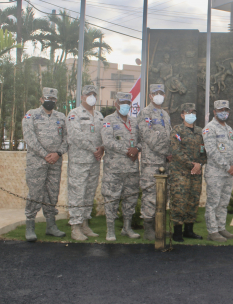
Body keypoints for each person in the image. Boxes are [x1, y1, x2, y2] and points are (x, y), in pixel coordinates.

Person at [22, 87, 68, 242]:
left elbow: (67, 139)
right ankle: (30, 226)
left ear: (56, 100)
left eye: (53, 99)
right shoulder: (31, 115)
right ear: (41, 99)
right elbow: (29, 137)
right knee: (35, 193)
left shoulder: (61, 117)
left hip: (55, 161)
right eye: (47, 98)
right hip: (37, 161)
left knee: (52, 193)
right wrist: (45, 155)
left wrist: (58, 153)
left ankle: (51, 226)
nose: (50, 101)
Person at [101, 92, 142, 241]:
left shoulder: (135, 122)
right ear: (116, 104)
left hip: (131, 169)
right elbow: (107, 141)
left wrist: (137, 148)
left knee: (130, 198)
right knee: (111, 199)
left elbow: (142, 140)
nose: (125, 105)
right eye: (122, 102)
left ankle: (127, 228)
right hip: (114, 169)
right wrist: (127, 151)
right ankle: (110, 230)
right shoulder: (108, 120)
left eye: (128, 103)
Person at [66, 85, 105, 241]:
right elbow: (75, 135)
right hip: (79, 161)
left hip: (94, 162)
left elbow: (104, 136)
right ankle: (75, 227)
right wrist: (93, 149)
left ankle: (84, 224)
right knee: (77, 193)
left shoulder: (100, 115)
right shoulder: (74, 114)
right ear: (82, 97)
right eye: (88, 94)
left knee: (89, 193)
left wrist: (101, 148)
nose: (91, 96)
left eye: (94, 94)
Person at [137, 84, 172, 241]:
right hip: (151, 163)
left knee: (163, 196)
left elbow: (169, 136)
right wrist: (167, 152)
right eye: (155, 93)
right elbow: (150, 138)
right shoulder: (145, 113)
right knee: (150, 195)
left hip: (165, 163)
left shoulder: (165, 114)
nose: (159, 95)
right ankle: (149, 228)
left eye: (161, 93)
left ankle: (160, 227)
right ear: (150, 95)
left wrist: (171, 152)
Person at [202, 100, 233, 242]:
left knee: (223, 202)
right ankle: (212, 231)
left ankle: (221, 228)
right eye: (220, 110)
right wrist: (227, 167)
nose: (223, 112)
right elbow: (211, 151)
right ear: (214, 112)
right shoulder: (209, 128)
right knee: (213, 203)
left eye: (225, 109)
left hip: (228, 173)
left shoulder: (229, 129)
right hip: (215, 173)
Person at [169, 103, 207, 242]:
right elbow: (176, 151)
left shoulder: (199, 131)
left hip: (196, 173)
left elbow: (204, 151)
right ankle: (177, 232)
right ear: (182, 115)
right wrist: (191, 164)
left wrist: (200, 164)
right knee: (179, 201)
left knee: (193, 200)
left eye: (193, 112)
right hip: (180, 172)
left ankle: (189, 230)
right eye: (188, 112)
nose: (191, 114)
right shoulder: (176, 131)